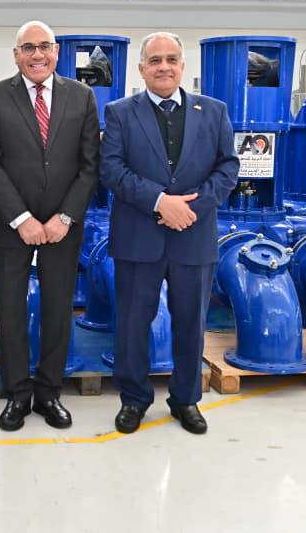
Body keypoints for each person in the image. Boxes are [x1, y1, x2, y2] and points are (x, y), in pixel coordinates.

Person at [99, 32, 238, 436]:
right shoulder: (120, 113)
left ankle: (186, 399)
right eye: (155, 60)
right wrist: (161, 202)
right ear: (141, 68)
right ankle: (134, 399)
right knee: (132, 324)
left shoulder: (213, 111)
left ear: (182, 66)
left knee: (191, 323)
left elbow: (228, 168)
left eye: (171, 59)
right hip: (138, 237)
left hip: (193, 235)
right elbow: (111, 169)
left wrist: (190, 209)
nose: (164, 67)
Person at [0, 20, 100, 431]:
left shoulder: (81, 97)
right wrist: (22, 219)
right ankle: (17, 393)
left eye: (44, 46)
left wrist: (65, 217)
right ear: (16, 55)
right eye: (28, 47)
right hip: (12, 225)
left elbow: (90, 166)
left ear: (57, 51)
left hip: (63, 226)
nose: (37, 54)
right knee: (10, 310)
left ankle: (49, 392)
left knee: (58, 309)